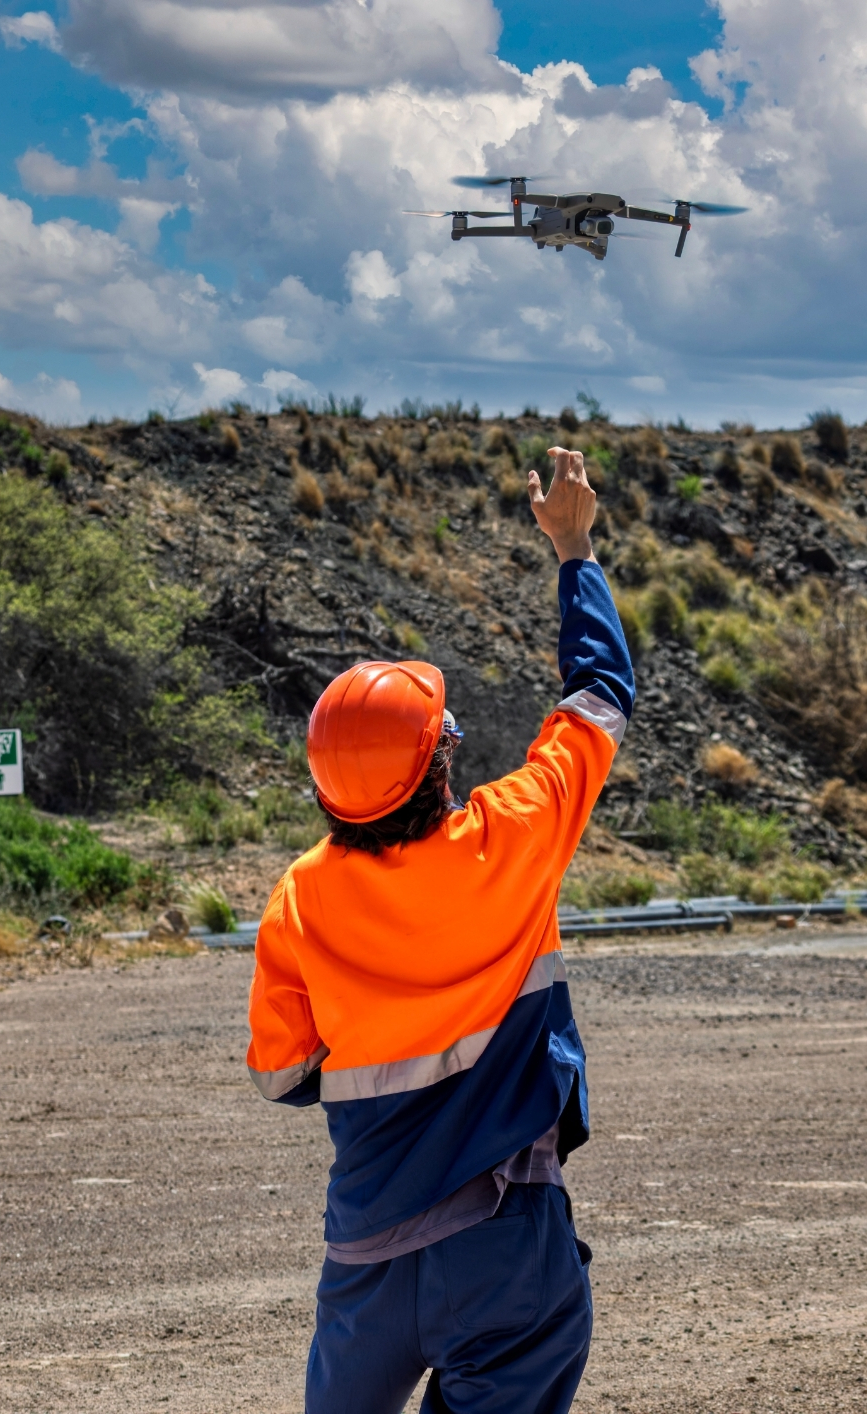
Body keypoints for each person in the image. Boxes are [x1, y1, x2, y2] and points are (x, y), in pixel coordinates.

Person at [246, 446, 635, 1414]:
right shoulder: (512, 833)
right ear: (439, 764)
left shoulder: (299, 895)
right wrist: (573, 546)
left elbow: (282, 1073)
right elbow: (598, 696)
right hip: (503, 1241)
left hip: (366, 1250)